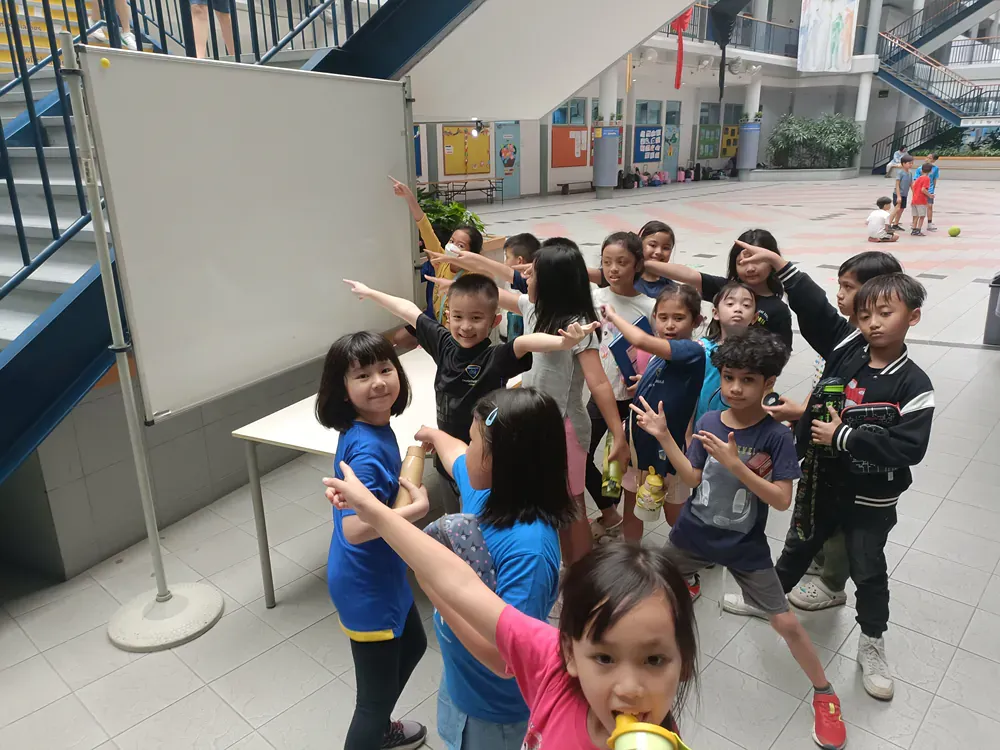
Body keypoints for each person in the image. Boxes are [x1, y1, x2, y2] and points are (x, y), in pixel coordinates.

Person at [325, 457, 700, 749]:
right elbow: (461, 584)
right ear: (570, 653)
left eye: (654, 659)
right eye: (604, 657)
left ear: (684, 661)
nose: (630, 689)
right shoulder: (552, 665)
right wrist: (374, 511)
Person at [631, 328, 847, 750]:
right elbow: (693, 477)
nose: (734, 388)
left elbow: (781, 500)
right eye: (729, 377)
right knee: (647, 594)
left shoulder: (776, 436)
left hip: (745, 547)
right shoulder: (710, 421)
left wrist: (736, 465)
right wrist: (663, 436)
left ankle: (825, 694)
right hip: (691, 535)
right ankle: (646, 663)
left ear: (769, 383)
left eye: (747, 380)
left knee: (786, 622)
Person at [731, 258, 934, 703]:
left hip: (871, 499)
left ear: (913, 316)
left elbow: (910, 447)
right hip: (823, 481)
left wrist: (843, 436)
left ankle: (872, 643)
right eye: (864, 315)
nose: (873, 323)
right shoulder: (849, 352)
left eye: (886, 313)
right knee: (798, 545)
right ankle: (766, 600)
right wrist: (798, 429)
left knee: (868, 568)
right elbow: (819, 319)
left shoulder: (914, 384)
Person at [343, 275, 596, 510]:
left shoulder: (495, 357)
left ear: (494, 321)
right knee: (453, 515)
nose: (465, 326)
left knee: (480, 520)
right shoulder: (443, 344)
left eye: (476, 318)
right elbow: (408, 310)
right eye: (458, 317)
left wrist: (563, 342)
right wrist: (371, 293)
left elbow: (524, 342)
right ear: (448, 316)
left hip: (484, 461)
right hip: (446, 459)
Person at [414, 388, 577, 749]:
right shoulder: (489, 494)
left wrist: (436, 589)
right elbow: (455, 453)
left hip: (496, 712)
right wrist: (433, 435)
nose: (467, 448)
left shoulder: (530, 552)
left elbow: (506, 659)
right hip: (462, 681)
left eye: (475, 441)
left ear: (498, 459)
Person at [757, 250, 903, 615]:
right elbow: (818, 316)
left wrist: (781, 267)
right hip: (825, 450)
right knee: (815, 519)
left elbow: (858, 413)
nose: (839, 294)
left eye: (849, 287)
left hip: (851, 465)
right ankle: (815, 562)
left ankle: (833, 584)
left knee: (841, 528)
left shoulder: (878, 355)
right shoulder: (850, 338)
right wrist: (803, 413)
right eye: (840, 285)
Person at [315, 331, 429, 750]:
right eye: (362, 376)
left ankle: (378, 727)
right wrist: (415, 510)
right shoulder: (366, 449)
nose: (379, 382)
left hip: (378, 571)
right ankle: (374, 730)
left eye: (385, 369)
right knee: (372, 702)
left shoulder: (370, 427)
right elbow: (355, 529)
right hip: (366, 583)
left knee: (413, 644)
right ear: (343, 389)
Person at [492, 239, 630, 564]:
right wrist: (459, 269)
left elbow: (599, 383)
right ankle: (561, 560)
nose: (525, 279)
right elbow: (491, 293)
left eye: (532, 274)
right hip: (533, 420)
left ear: (551, 283)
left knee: (572, 503)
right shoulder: (533, 309)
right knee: (549, 497)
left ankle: (579, 571)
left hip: (564, 427)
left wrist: (618, 434)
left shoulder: (578, 327)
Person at [602, 284, 705, 533]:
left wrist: (613, 316)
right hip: (640, 447)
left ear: (696, 321)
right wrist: (645, 382)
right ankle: (630, 553)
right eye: (663, 317)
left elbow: (640, 340)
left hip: (670, 451)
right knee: (632, 506)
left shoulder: (692, 351)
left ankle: (688, 552)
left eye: (678, 318)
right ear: (655, 317)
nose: (669, 325)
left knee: (676, 516)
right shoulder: (660, 353)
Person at [586, 232, 656, 542]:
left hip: (634, 399)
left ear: (638, 265)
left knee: (622, 462)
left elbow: (662, 350)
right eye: (607, 262)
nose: (613, 269)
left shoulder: (649, 306)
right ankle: (609, 510)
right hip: (599, 395)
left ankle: (619, 523)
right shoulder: (594, 298)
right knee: (582, 453)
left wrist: (648, 375)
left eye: (622, 262)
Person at [644, 229, 793, 351]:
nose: (750, 268)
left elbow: (783, 350)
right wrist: (642, 264)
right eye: (742, 262)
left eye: (757, 261)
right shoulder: (725, 289)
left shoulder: (778, 309)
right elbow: (688, 274)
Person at [392, 177, 484, 328]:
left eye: (460, 245)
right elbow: (424, 227)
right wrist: (409, 197)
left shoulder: (474, 277)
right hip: (438, 327)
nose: (452, 247)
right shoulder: (440, 261)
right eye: (451, 241)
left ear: (472, 253)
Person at [694, 281, 757, 423]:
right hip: (701, 425)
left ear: (754, 317)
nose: (738, 309)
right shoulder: (701, 350)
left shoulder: (758, 353)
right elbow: (690, 394)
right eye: (730, 304)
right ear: (715, 313)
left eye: (746, 305)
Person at [586, 221, 678, 299]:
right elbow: (584, 273)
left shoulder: (671, 289)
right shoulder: (626, 274)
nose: (659, 252)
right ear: (640, 244)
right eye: (652, 245)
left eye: (666, 248)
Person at [889, 155, 913, 230]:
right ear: (903, 163)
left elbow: (911, 184)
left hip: (904, 194)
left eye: (912, 163)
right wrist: (899, 196)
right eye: (909, 163)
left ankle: (895, 224)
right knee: (897, 208)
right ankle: (888, 224)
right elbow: (897, 185)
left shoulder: (910, 173)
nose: (911, 165)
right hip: (898, 194)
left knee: (901, 209)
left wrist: (914, 193)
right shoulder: (900, 173)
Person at [910, 162, 933, 236]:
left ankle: (913, 229)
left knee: (915, 216)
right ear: (930, 171)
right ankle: (918, 230)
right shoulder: (927, 179)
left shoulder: (918, 178)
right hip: (921, 200)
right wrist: (930, 195)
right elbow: (923, 189)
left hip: (914, 200)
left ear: (921, 170)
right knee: (922, 216)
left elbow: (913, 186)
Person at [924, 153, 940, 231]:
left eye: (930, 158)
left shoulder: (935, 169)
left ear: (934, 160)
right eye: (927, 157)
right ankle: (915, 223)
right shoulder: (921, 168)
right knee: (920, 207)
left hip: (930, 190)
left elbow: (934, 179)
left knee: (930, 206)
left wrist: (933, 189)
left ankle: (929, 224)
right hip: (921, 190)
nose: (927, 159)